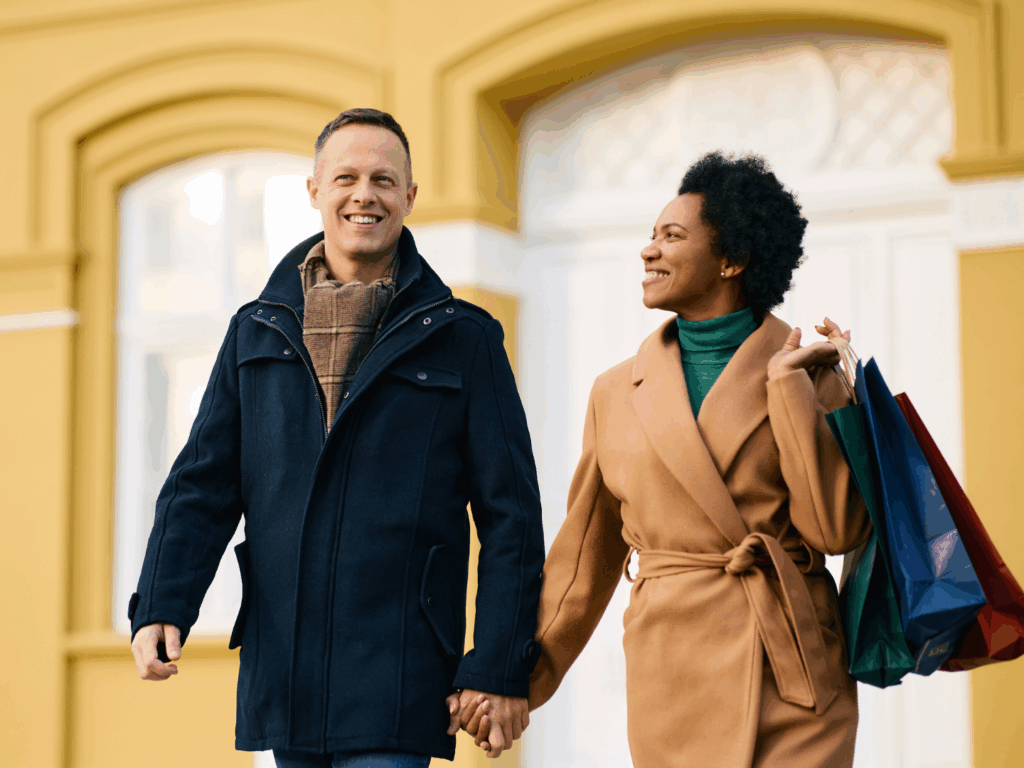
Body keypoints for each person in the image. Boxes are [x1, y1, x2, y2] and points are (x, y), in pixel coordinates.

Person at [129, 108, 543, 768]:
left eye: (384, 179)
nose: (364, 194)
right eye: (346, 176)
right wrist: (161, 602)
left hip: (401, 670)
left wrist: (497, 662)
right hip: (284, 667)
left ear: (409, 197)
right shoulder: (256, 332)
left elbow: (512, 518)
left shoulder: (464, 338)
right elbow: (203, 482)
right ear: (315, 190)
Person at [461, 151, 871, 766]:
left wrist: (790, 391)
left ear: (731, 259)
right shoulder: (615, 392)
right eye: (651, 236)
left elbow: (835, 531)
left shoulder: (810, 374)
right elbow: (583, 563)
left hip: (795, 670)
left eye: (672, 237)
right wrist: (512, 682)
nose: (648, 251)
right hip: (672, 674)